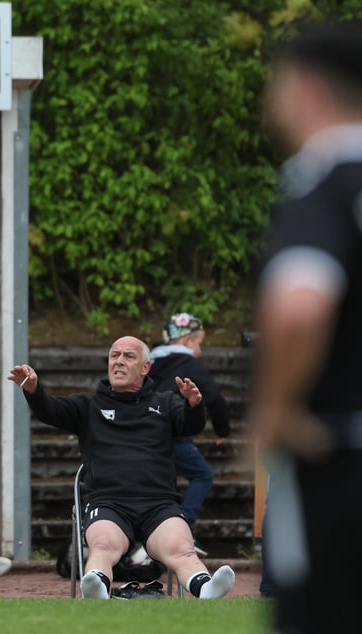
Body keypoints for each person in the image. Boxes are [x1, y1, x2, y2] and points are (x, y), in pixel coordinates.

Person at [250, 20, 362, 633]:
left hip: (340, 457)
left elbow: (301, 303)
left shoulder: (320, 182)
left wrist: (278, 408)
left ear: (308, 88)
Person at [9, 336, 235, 599]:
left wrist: (195, 405)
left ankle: (206, 588)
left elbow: (190, 425)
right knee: (103, 545)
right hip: (108, 503)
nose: (118, 361)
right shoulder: (88, 406)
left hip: (159, 504)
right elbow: (50, 410)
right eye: (114, 355)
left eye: (128, 356)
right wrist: (34, 390)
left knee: (181, 548)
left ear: (145, 368)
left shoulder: (165, 403)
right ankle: (97, 586)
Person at [148, 312, 231, 554]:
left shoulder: (149, 363)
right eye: (198, 343)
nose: (200, 351)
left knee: (167, 486)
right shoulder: (189, 365)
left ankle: (157, 538)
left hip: (147, 435)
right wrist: (222, 429)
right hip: (174, 434)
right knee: (203, 475)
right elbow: (214, 397)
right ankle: (184, 525)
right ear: (186, 341)